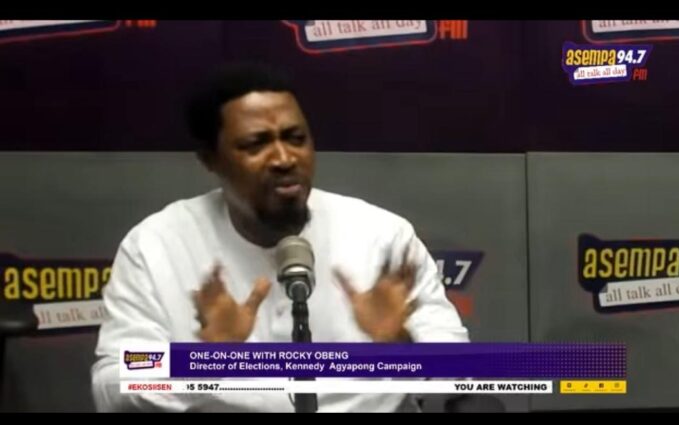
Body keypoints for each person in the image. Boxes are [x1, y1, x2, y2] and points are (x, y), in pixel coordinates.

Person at [91, 63, 469, 412]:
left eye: (296, 138)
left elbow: (459, 366)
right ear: (210, 159)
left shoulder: (381, 236)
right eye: (256, 144)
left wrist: (403, 347)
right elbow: (114, 380)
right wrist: (205, 362)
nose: (285, 159)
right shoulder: (156, 245)